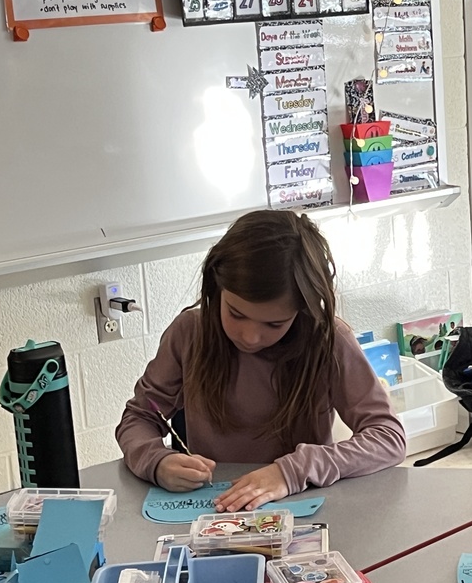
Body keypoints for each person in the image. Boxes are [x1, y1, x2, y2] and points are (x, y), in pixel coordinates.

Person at [116, 210, 406, 511]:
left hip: (299, 507)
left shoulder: (328, 340)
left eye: (274, 324)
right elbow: (139, 416)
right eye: (236, 314)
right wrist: (156, 461)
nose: (251, 337)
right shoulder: (189, 332)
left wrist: (292, 471)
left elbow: (388, 437)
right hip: (213, 508)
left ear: (302, 310)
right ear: (217, 287)